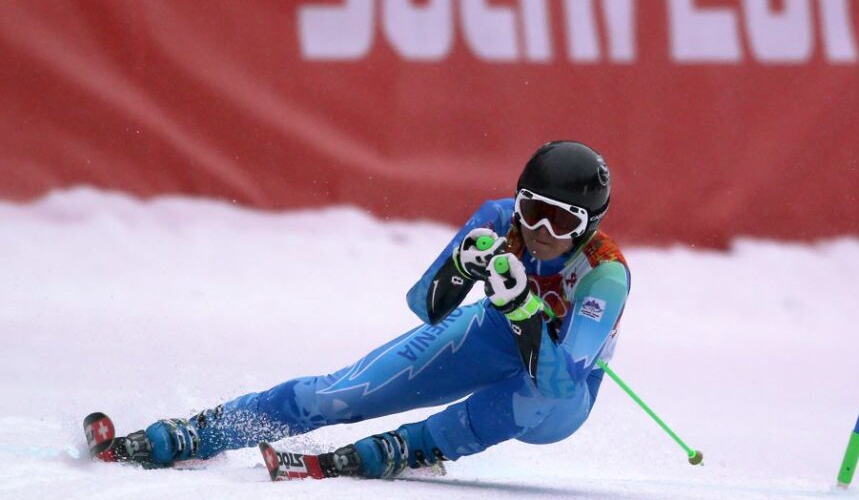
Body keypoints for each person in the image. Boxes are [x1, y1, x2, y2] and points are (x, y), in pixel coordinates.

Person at [96, 140, 631, 479]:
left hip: (558, 398)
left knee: (539, 392)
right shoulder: (498, 219)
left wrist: (521, 309)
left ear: (588, 225)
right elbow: (424, 305)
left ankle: (418, 447)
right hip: (491, 336)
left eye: (561, 221)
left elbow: (559, 384)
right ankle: (206, 431)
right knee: (341, 393)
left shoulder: (604, 275)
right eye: (531, 209)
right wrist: (459, 270)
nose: (539, 230)